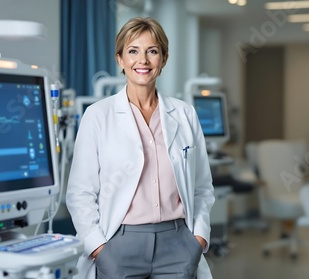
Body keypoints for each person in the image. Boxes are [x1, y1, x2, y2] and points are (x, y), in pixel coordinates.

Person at [66, 17, 215, 279]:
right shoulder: (98, 115)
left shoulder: (184, 114)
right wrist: (100, 249)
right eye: (133, 51)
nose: (143, 60)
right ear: (120, 60)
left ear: (164, 59)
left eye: (152, 51)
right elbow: (80, 193)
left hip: (179, 244)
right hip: (118, 245)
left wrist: (198, 239)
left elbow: (202, 187)